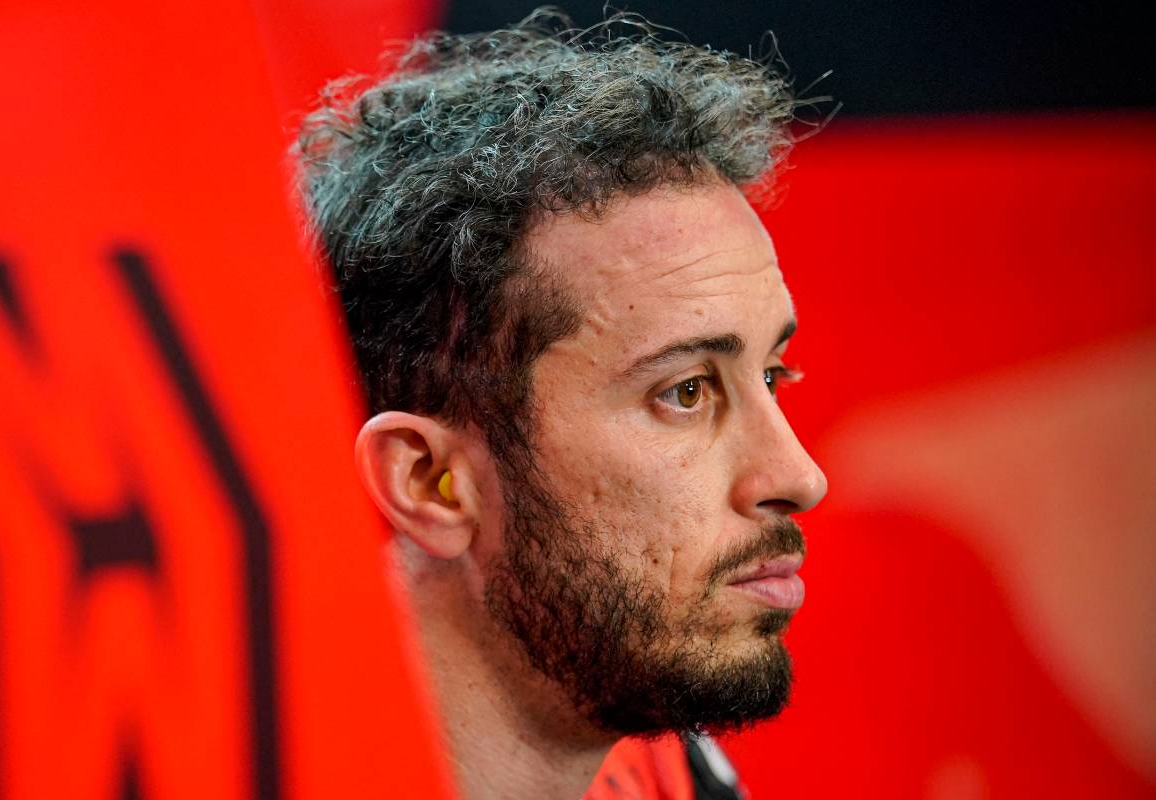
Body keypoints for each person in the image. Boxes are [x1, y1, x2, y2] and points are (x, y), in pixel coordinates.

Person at [294, 10, 827, 799]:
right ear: (430, 481)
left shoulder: (676, 780)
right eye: (686, 392)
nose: (799, 476)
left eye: (772, 376)